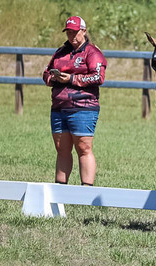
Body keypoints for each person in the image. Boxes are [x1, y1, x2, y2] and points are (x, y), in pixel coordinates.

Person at [42, 16, 107, 186]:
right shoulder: (60, 52)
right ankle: (59, 190)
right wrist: (54, 78)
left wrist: (70, 79)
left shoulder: (93, 52)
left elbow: (98, 77)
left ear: (84, 31)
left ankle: (86, 190)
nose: (72, 36)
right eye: (69, 32)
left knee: (83, 148)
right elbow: (46, 73)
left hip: (83, 107)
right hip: (59, 107)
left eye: (75, 32)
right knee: (61, 149)